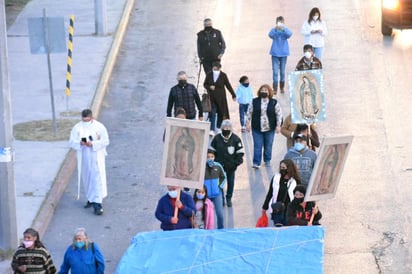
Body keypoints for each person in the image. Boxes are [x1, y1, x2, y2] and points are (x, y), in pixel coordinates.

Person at [69, 109, 109, 215]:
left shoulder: (99, 127)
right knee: (87, 179)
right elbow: (72, 141)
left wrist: (93, 144)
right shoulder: (77, 127)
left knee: (96, 179)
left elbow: (105, 141)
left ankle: (97, 204)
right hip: (84, 157)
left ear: (92, 118)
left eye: (87, 120)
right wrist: (80, 143)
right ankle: (90, 199)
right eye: (84, 120)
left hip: (96, 156)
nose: (85, 122)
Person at [246, 84, 283, 169]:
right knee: (257, 145)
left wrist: (278, 125)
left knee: (268, 145)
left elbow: (279, 114)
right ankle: (256, 162)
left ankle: (267, 160)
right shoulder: (254, 101)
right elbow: (249, 112)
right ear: (259, 91)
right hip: (257, 127)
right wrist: (247, 123)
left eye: (266, 90)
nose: (264, 91)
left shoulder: (274, 102)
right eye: (262, 90)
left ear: (269, 92)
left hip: (270, 128)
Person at [210, 119, 244, 207]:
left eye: (228, 127)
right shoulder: (217, 138)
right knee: (219, 182)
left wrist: (235, 163)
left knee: (231, 182)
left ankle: (229, 198)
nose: (226, 129)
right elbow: (211, 151)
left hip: (231, 167)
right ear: (221, 128)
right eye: (224, 127)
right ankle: (221, 198)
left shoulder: (236, 139)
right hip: (219, 166)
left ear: (231, 128)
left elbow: (240, 154)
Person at [262, 159, 301, 226]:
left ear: (289, 169)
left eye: (283, 168)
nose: (281, 169)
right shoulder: (276, 178)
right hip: (277, 209)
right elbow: (270, 193)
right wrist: (265, 207)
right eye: (281, 167)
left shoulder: (295, 181)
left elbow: (300, 196)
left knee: (287, 230)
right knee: (278, 229)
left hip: (290, 211)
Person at [203, 62, 236, 135]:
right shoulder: (209, 74)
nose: (215, 70)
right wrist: (209, 87)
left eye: (217, 69)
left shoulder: (223, 75)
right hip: (212, 97)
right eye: (214, 69)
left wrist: (233, 94)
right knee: (212, 113)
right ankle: (212, 129)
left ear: (219, 68)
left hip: (221, 98)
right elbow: (205, 84)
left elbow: (228, 85)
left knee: (221, 113)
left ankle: (218, 127)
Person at [268, 16, 292, 94]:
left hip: (283, 53)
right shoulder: (274, 30)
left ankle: (282, 87)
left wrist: (283, 29)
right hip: (275, 53)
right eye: (279, 22)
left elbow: (289, 34)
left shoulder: (285, 30)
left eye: (281, 22)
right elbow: (270, 35)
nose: (280, 24)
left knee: (282, 71)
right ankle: (275, 88)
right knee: (275, 71)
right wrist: (275, 29)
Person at [204, 149, 227, 229]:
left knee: (220, 214)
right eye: (208, 157)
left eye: (212, 157)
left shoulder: (218, 166)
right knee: (206, 215)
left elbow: (223, 177)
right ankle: (206, 229)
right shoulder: (201, 167)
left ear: (214, 157)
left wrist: (219, 187)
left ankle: (221, 229)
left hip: (217, 194)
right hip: (206, 196)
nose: (210, 158)